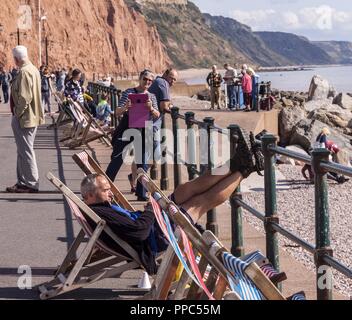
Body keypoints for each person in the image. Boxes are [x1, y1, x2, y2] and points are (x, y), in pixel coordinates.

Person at [82, 127, 264, 274]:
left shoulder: (98, 208)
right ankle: (245, 169)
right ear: (89, 196)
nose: (111, 194)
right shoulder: (101, 213)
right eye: (106, 190)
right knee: (198, 203)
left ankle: (237, 161)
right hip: (157, 237)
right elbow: (139, 232)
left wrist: (151, 210)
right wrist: (150, 210)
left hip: (155, 223)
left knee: (185, 189)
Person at [105, 69, 160, 201]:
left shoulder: (151, 96)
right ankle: (104, 188)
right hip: (127, 128)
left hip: (144, 129)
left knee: (142, 163)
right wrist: (125, 107)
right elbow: (117, 112)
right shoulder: (129, 92)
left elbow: (157, 115)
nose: (147, 82)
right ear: (140, 78)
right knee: (117, 158)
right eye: (145, 79)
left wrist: (151, 108)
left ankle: (141, 193)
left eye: (150, 80)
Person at [6, 46, 44, 193]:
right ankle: (23, 181)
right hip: (28, 117)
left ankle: (31, 183)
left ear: (16, 59)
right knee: (23, 150)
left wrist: (17, 112)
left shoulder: (24, 72)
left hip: (25, 118)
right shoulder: (32, 69)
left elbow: (25, 97)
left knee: (26, 150)